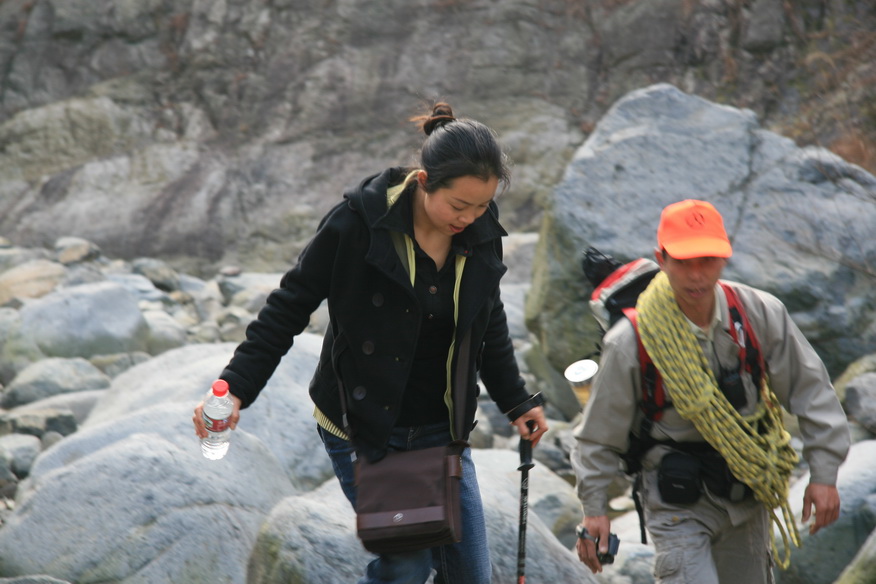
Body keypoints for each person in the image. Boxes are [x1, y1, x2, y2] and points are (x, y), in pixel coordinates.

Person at [192, 102, 548, 584]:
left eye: (482, 205)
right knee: (407, 567)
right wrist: (235, 386)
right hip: (365, 427)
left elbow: (487, 320)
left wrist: (515, 400)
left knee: (470, 576)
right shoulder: (357, 225)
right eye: (459, 205)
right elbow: (289, 306)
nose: (470, 217)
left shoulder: (481, 232)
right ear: (423, 181)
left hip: (441, 430)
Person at [570, 199, 850, 583]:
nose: (696, 275)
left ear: (725, 257)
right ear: (661, 259)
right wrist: (594, 510)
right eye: (683, 262)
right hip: (675, 501)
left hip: (749, 494)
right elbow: (598, 436)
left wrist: (824, 474)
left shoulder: (760, 314)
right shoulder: (630, 341)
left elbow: (811, 392)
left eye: (707, 260)